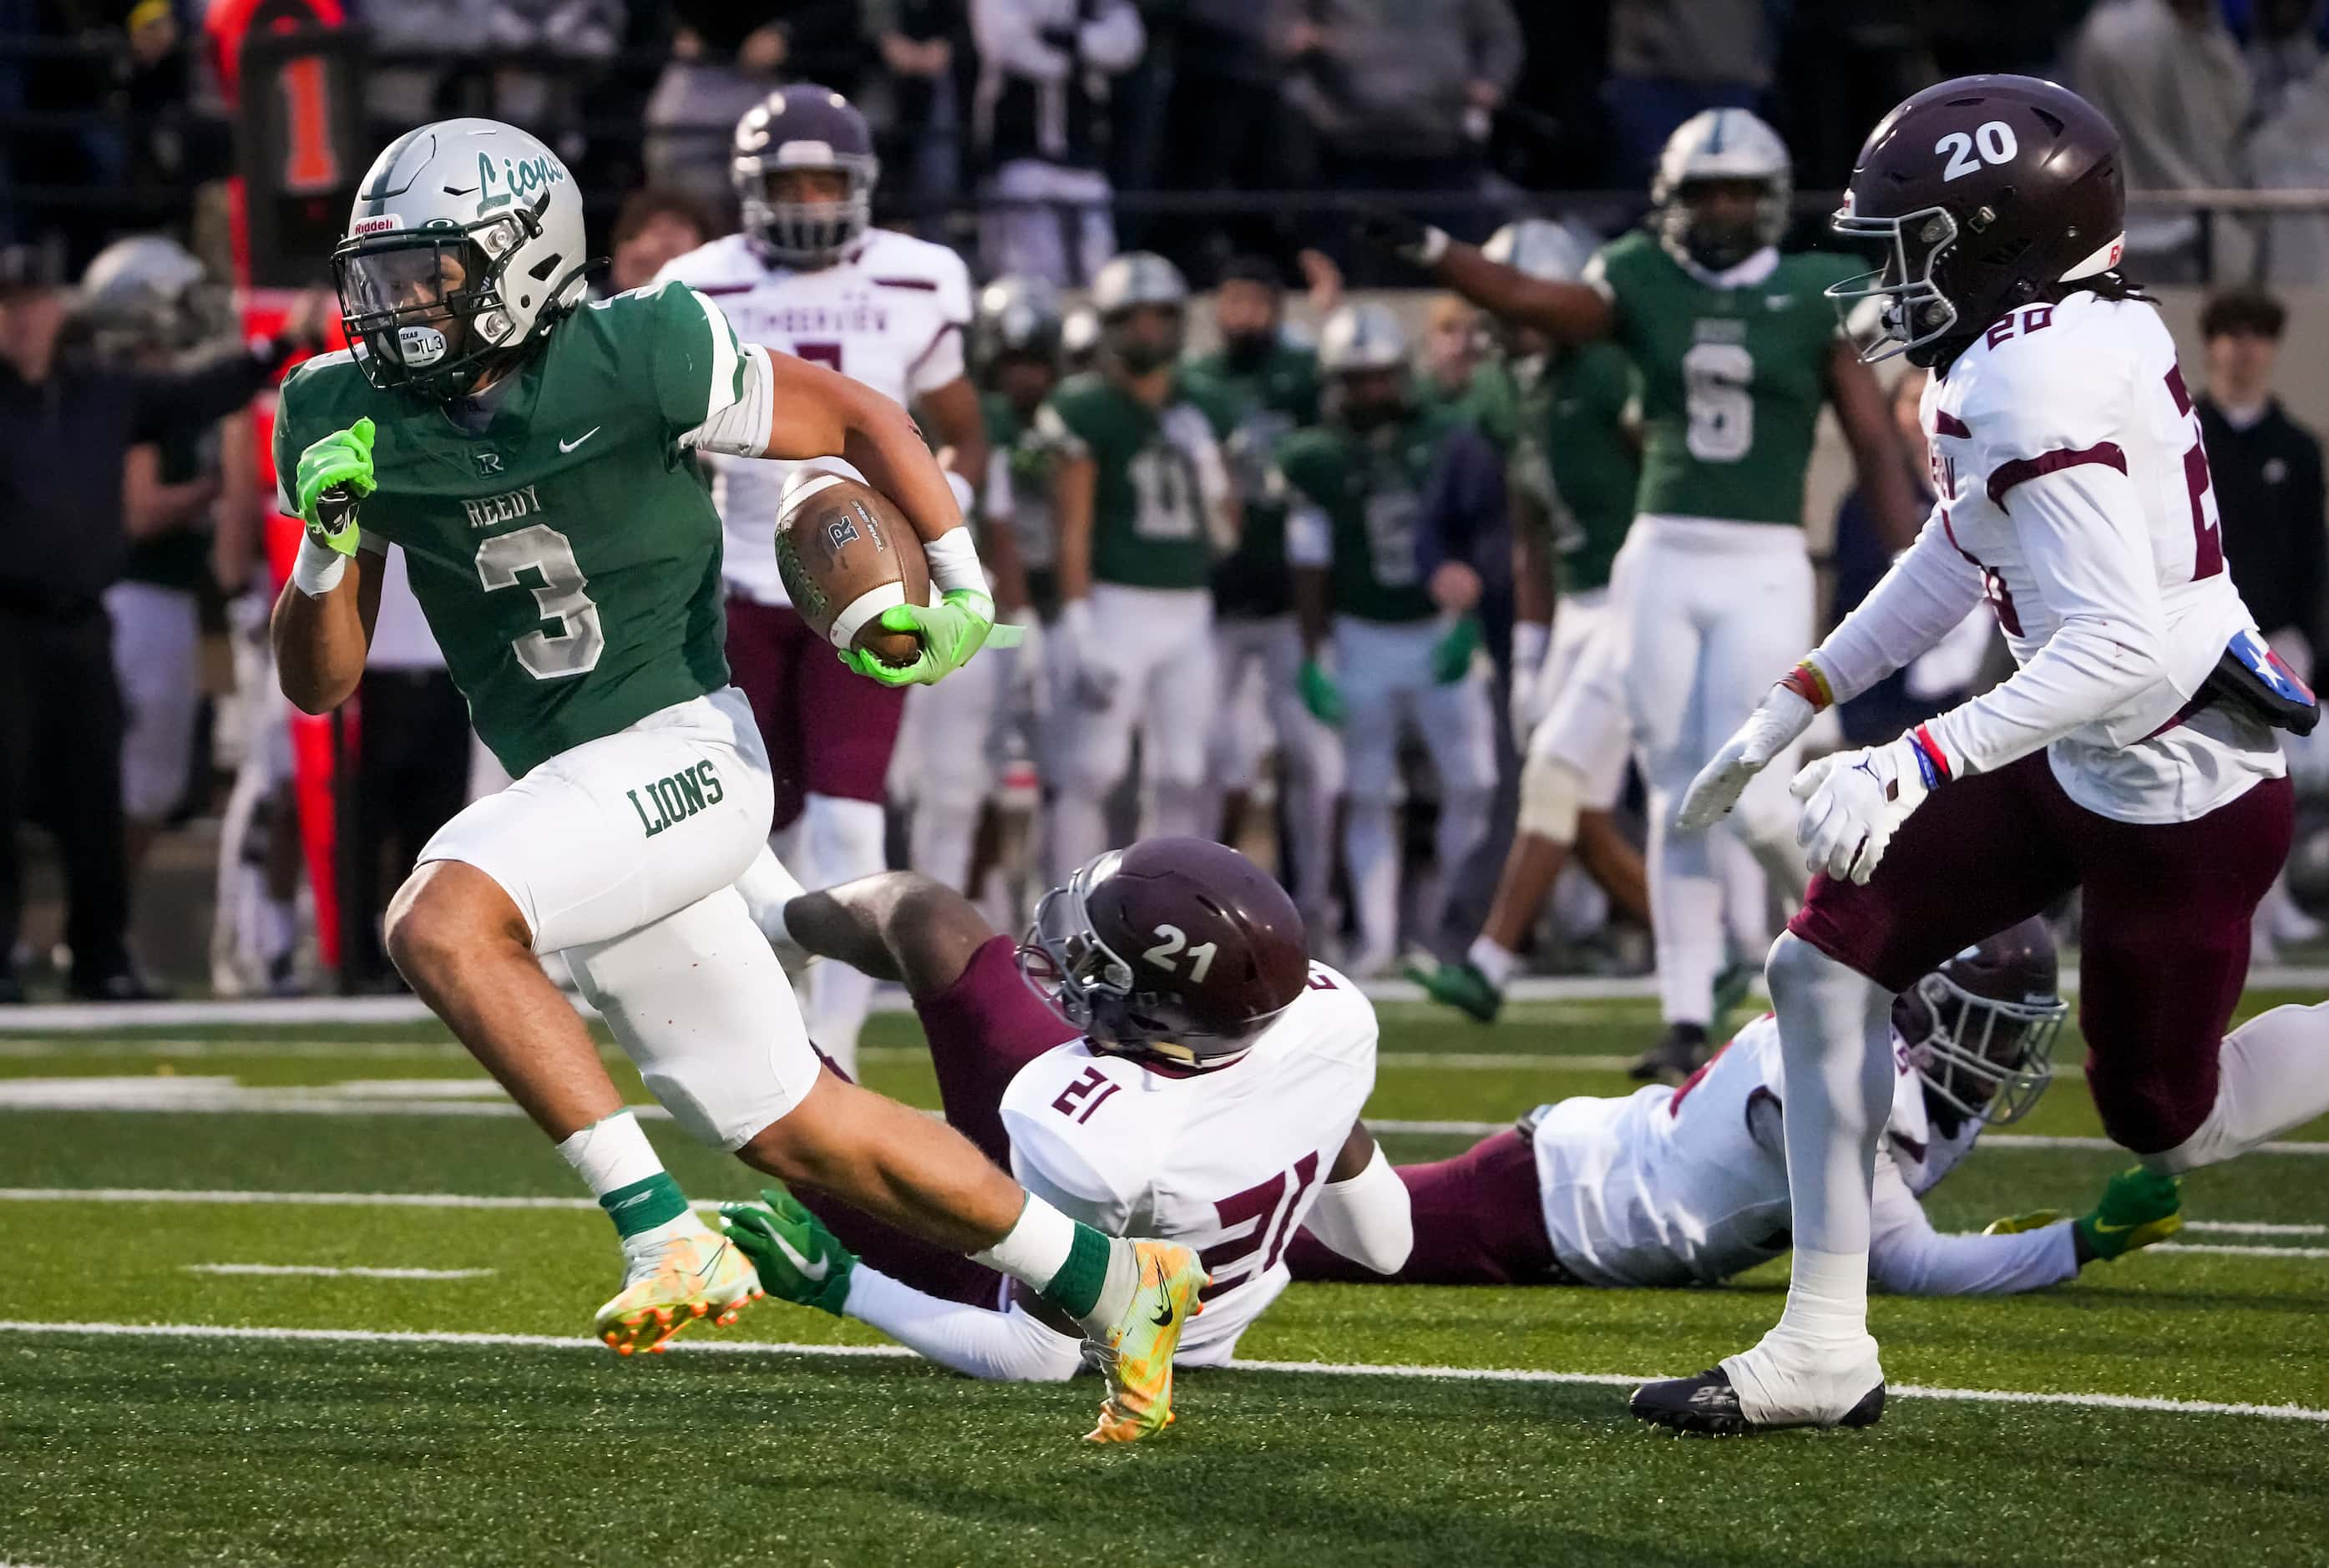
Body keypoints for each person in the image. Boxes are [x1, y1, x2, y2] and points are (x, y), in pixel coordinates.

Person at [271, 118, 1202, 1444]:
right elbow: (320, 685)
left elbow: (862, 414)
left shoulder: (641, 347)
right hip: (580, 794)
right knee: (793, 1123)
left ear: (527, 263)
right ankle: (1118, 1282)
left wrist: (964, 581)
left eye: (430, 274)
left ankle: (663, 1233)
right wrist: (325, 546)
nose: (399, 308)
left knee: (439, 916)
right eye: (383, 277)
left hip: (685, 755)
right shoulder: (335, 406)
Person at [1641, 75, 2329, 1436]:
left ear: (1995, 241)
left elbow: (2120, 649)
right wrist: (1798, 694)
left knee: (2164, 1119)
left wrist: (1910, 761)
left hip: (2172, 797)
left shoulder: (2030, 373)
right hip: (2079, 747)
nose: (1884, 282)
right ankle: (1821, 1344)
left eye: (1909, 247)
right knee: (1819, 958)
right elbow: (1964, 548)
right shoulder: (2054, 332)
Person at [1360, 109, 1922, 1080]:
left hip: (1761, 560)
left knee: (1751, 795)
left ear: (1768, 195)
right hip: (1659, 555)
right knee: (1675, 791)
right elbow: (1539, 301)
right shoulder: (1637, 275)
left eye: (1738, 190)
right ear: (1671, 198)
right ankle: (1681, 1014)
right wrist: (1435, 252)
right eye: (1704, 191)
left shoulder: (1805, 292)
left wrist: (1919, 573)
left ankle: (1873, 942)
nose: (1720, 208)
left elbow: (1874, 443)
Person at [718, 837, 1411, 1379]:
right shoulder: (1324, 1022)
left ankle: (715, 949)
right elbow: (1383, 1246)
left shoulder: (1093, 1135)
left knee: (786, 1097)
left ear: (1153, 1008)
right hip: (1170, 1154)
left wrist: (840, 1286)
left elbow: (1033, 1356)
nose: (1071, 951)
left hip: (1069, 1314)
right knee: (926, 917)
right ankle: (774, 923)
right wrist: (1314, 1112)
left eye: (1097, 957)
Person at [656, 85, 1000, 1073]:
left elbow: (962, 427)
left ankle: (832, 1051)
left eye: (823, 180)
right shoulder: (697, 283)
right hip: (733, 579)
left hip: (869, 590)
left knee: (851, 812)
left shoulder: (918, 277)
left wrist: (931, 524)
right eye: (787, 181)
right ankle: (753, 1013)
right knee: (740, 818)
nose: (807, 199)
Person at [1296, 922, 2185, 1292]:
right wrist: (2077, 1245)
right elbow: (1903, 1263)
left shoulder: (1901, 1072)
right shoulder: (1838, 1063)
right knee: (1301, 1249)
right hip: (1545, 1204)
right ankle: (1192, 1207)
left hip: (1572, 1196)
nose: (1999, 1060)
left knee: (1314, 1235)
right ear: (1922, 1005)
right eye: (1987, 1032)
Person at [0, 240, 306, 1002]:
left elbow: (196, 395)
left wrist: (281, 345)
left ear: (56, 310)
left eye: (32, 303)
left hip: (83, 620)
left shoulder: (99, 390)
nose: (22, 320)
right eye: (8, 306)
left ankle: (102, 957)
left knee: (96, 795)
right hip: (5, 623)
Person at [1410, 220, 1650, 1021]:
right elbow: (1528, 527)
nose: (1500, 323)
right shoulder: (1511, 388)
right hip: (1578, 602)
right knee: (1571, 805)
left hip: (1642, 592)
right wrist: (1531, 641)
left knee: (1568, 781)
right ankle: (1709, 959)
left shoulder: (1612, 371)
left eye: (1514, 303)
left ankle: (1490, 958)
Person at [1285, 303, 1502, 977]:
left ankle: (1451, 930)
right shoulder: (1314, 456)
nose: (1372, 391)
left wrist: (1470, 623)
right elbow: (1309, 563)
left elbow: (1480, 535)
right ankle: (1378, 939)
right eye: (1358, 379)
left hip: (1436, 628)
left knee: (1474, 783)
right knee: (1370, 791)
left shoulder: (1447, 435)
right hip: (1361, 635)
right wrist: (1313, 651)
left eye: (1381, 376)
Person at [1040, 251, 1239, 878]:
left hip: (1189, 604)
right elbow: (1069, 527)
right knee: (1092, 770)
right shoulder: (1084, 405)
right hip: (1115, 602)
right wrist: (1079, 626)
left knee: (1183, 771)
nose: (1148, 331)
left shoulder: (1205, 401)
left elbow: (1227, 537)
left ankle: (1163, 915)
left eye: (1160, 316)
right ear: (1107, 325)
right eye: (1133, 317)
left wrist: (1209, 466)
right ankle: (1065, 918)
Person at [1181, 256, 1337, 938]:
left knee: (1314, 762)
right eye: (1232, 300)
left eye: (1256, 301)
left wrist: (1325, 319)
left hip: (1288, 602)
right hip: (1215, 600)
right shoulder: (1194, 384)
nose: (1243, 315)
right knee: (1212, 761)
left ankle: (1317, 907)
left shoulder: (1300, 374)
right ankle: (1196, 906)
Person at [2193, 286, 2328, 958]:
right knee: (2206, 774)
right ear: (2210, 343)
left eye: (2255, 336)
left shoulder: (2297, 449)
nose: (2241, 351)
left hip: (2273, 637)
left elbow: (2311, 555)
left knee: (2268, 777)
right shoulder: (2182, 437)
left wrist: (2310, 643)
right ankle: (2232, 908)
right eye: (2229, 334)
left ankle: (2269, 909)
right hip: (2197, 634)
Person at [2064, 0, 2251, 283]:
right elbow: (2224, 116)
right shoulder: (2133, 32)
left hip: (2129, 224)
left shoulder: (2104, 28)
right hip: (2172, 227)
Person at [969, 0, 1147, 286]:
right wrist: (1070, 59)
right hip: (1019, 154)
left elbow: (1127, 42)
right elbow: (1006, 43)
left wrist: (1072, 39)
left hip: (1083, 156)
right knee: (1030, 274)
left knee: (1099, 267)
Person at [601, 187, 718, 297]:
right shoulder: (591, 304)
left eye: (679, 224)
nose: (666, 236)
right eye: (654, 228)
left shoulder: (726, 299)